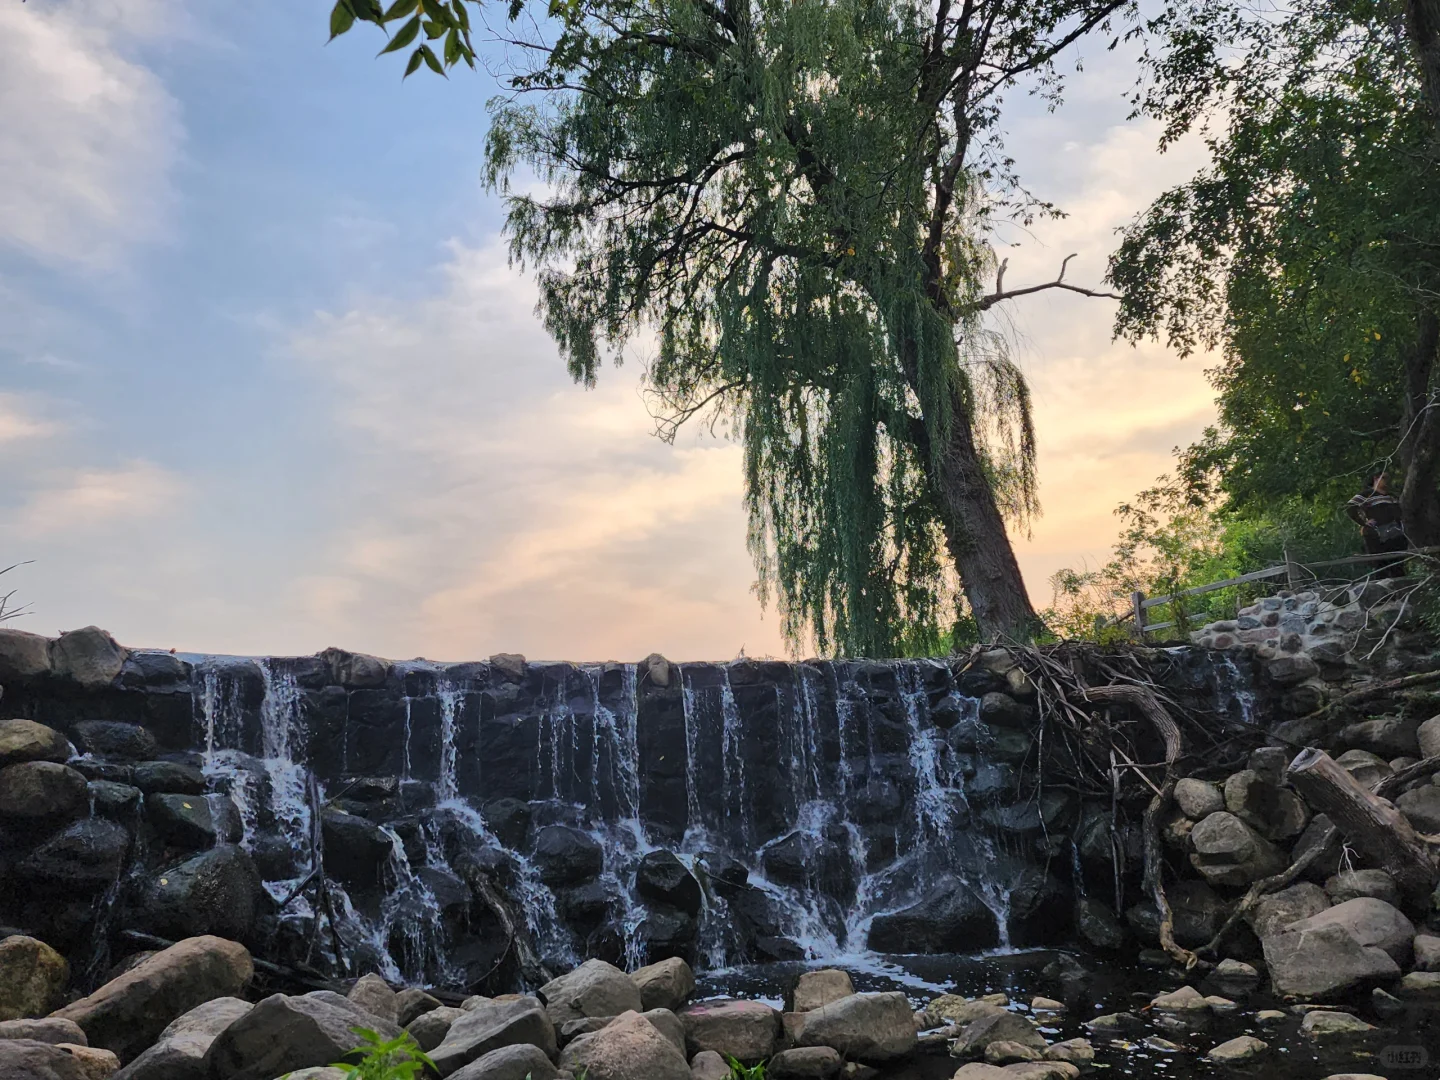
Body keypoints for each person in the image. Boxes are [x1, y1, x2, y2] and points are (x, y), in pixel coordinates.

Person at [1346, 471, 1409, 577]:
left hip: (1395, 534)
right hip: (1376, 535)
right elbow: (1350, 508)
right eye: (1384, 478)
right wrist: (1364, 523)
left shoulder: (1392, 496)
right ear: (1376, 479)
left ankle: (1400, 589)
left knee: (1397, 565)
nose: (1386, 481)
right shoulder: (1367, 494)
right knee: (1380, 565)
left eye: (1388, 478)